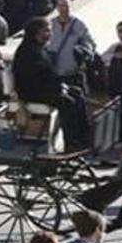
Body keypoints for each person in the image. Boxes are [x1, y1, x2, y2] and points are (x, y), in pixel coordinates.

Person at [13, 18, 90, 151]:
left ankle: (83, 138)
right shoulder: (28, 52)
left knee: (77, 93)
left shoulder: (39, 49)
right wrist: (59, 88)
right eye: (47, 31)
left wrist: (61, 86)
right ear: (36, 33)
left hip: (44, 88)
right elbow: (34, 78)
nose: (50, 34)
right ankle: (71, 143)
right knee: (67, 102)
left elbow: (48, 75)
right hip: (32, 92)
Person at [47, 0, 96, 83]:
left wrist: (83, 51)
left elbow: (91, 43)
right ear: (57, 7)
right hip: (54, 72)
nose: (64, 9)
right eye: (61, 6)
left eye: (66, 6)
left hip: (74, 73)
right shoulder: (50, 25)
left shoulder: (78, 24)